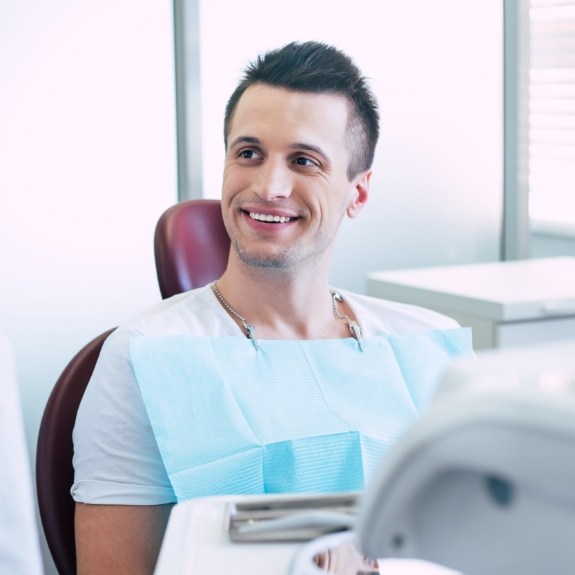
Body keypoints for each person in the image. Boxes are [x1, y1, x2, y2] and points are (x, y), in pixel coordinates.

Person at [72, 41, 473, 573]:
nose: (269, 186)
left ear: (358, 193)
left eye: (304, 161)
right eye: (248, 153)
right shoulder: (145, 357)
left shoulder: (430, 350)